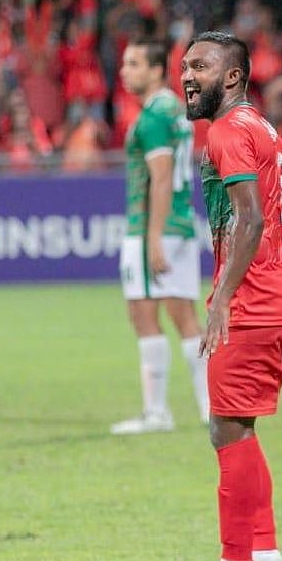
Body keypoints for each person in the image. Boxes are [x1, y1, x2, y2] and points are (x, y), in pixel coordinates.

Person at [173, 31, 282, 561]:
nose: (186, 76)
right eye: (184, 66)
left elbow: (251, 220)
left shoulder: (227, 132)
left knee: (225, 429)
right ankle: (264, 553)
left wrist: (224, 299)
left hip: (252, 299)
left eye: (200, 66)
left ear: (232, 77)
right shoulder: (260, 126)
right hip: (279, 294)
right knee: (242, 428)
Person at [111, 38, 210, 435]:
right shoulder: (175, 110)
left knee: (144, 314)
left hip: (153, 227)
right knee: (185, 316)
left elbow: (162, 176)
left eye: (133, 63)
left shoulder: (153, 117)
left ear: (155, 70)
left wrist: (152, 237)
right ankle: (210, 409)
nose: (124, 70)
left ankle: (157, 413)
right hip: (181, 223)